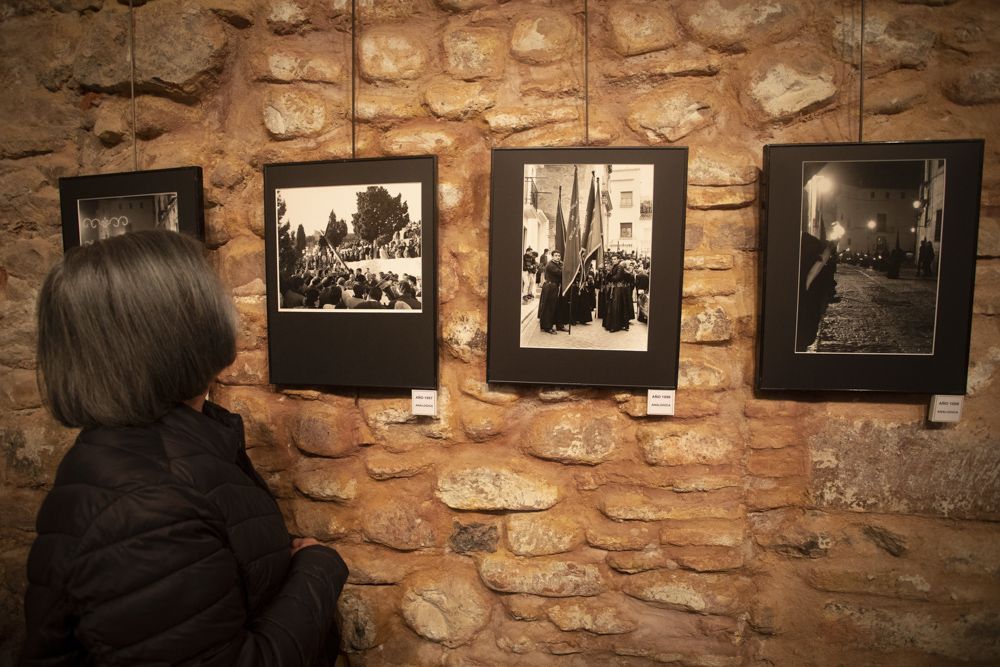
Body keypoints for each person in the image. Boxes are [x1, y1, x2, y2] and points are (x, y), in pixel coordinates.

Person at [22, 231, 348, 665]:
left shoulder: (181, 446)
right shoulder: (142, 509)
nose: (230, 308)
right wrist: (317, 569)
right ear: (181, 331)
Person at [537, 250, 563, 333]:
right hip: (550, 287)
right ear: (552, 256)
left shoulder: (558, 264)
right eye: (556, 255)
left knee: (557, 307)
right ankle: (547, 327)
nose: (558, 257)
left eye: (559, 255)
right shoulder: (550, 265)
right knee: (549, 307)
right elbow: (560, 273)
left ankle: (559, 325)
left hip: (555, 287)